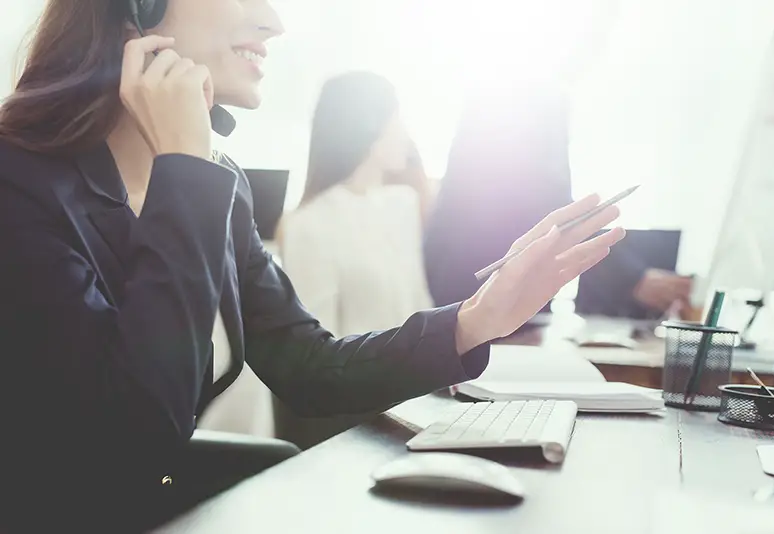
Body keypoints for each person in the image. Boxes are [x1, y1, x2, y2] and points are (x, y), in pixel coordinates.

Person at [0, 0, 624, 530]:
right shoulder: (19, 180)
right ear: (137, 8)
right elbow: (130, 438)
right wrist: (185, 170)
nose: (274, 23)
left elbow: (310, 365)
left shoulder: (218, 182)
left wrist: (477, 317)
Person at [424, 80, 691, 318]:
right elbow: (556, 211)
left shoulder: (493, 97)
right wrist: (632, 277)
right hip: (489, 304)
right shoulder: (528, 99)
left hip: (451, 299)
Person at [279, 71, 433, 337]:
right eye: (397, 118)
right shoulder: (308, 224)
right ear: (370, 126)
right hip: (363, 377)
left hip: (421, 373)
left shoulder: (403, 205)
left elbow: (421, 308)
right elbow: (316, 347)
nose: (405, 134)